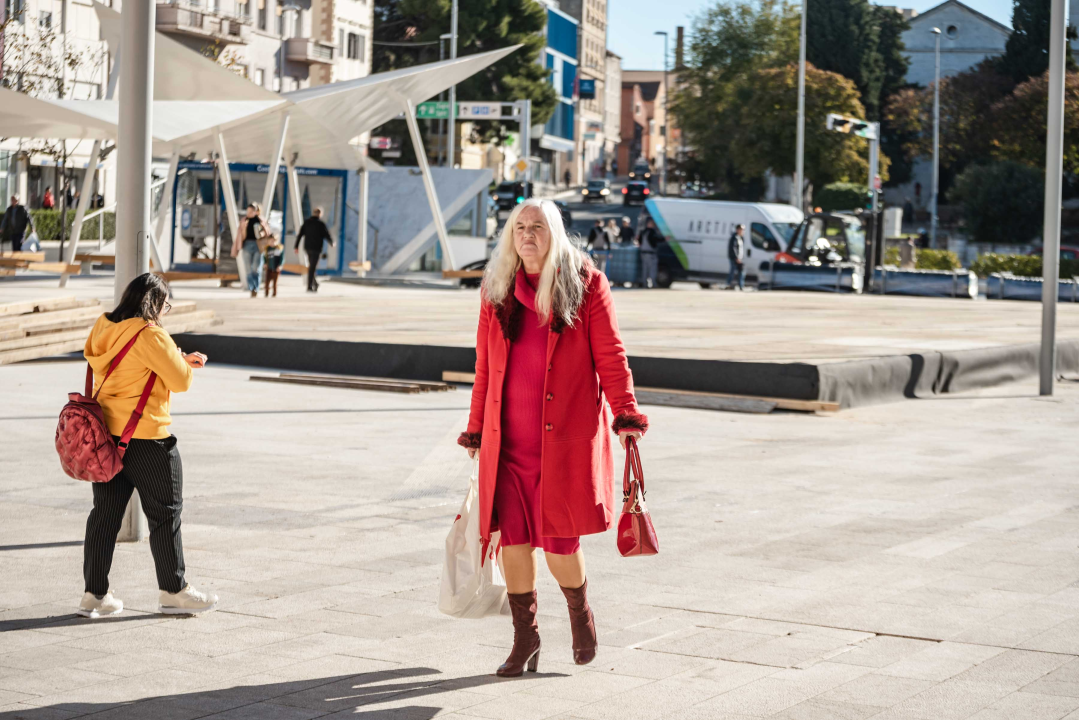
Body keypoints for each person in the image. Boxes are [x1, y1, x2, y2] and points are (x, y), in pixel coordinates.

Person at [458, 199, 648, 677]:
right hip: (509, 447)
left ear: (555, 233)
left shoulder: (587, 286)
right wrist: (476, 427)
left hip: (563, 444)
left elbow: (611, 357)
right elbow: (484, 369)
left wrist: (626, 415)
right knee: (513, 542)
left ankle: (580, 614)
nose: (527, 235)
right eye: (519, 227)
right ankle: (526, 638)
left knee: (562, 543)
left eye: (537, 227)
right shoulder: (496, 290)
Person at [79, 273, 218, 619]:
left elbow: (131, 367)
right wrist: (180, 359)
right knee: (165, 514)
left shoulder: (103, 326)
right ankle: (174, 591)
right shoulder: (151, 334)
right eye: (165, 304)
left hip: (107, 438)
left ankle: (95, 596)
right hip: (148, 439)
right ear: (154, 302)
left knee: (105, 517)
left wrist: (173, 356)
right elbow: (181, 381)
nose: (164, 312)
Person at [232, 203, 272, 298]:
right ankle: (251, 288)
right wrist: (236, 248)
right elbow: (239, 235)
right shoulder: (244, 220)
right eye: (247, 211)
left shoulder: (261, 220)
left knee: (256, 268)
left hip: (258, 245)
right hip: (246, 245)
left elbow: (268, 233)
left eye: (251, 211)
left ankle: (256, 287)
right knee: (248, 268)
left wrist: (262, 233)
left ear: (256, 212)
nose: (248, 213)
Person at [295, 207, 334, 293]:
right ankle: (310, 286)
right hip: (316, 248)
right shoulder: (320, 224)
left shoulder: (307, 223)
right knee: (312, 267)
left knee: (311, 267)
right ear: (320, 214)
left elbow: (300, 235)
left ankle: (314, 284)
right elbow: (327, 235)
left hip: (308, 248)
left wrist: (296, 246)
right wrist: (331, 243)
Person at [638, 217, 663, 288]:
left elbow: (639, 241)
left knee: (645, 269)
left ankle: (644, 284)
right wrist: (664, 239)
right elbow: (656, 239)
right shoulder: (652, 232)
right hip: (650, 253)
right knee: (652, 269)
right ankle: (653, 284)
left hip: (643, 253)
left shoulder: (643, 232)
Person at [727, 223, 745, 291]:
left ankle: (741, 285)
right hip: (734, 259)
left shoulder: (740, 238)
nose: (742, 231)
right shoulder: (734, 237)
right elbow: (733, 248)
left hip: (739, 258)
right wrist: (736, 258)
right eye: (741, 230)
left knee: (741, 272)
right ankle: (728, 284)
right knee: (733, 272)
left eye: (743, 230)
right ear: (737, 230)